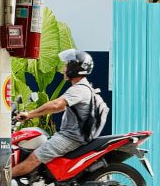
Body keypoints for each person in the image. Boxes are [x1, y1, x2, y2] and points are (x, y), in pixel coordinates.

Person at [11, 49, 98, 177]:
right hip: (74, 136)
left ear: (74, 68)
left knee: (34, 158)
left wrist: (29, 114)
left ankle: (2, 182)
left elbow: (56, 105)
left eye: (66, 65)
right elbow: (60, 107)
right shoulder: (82, 88)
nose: (63, 69)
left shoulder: (79, 89)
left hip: (71, 138)